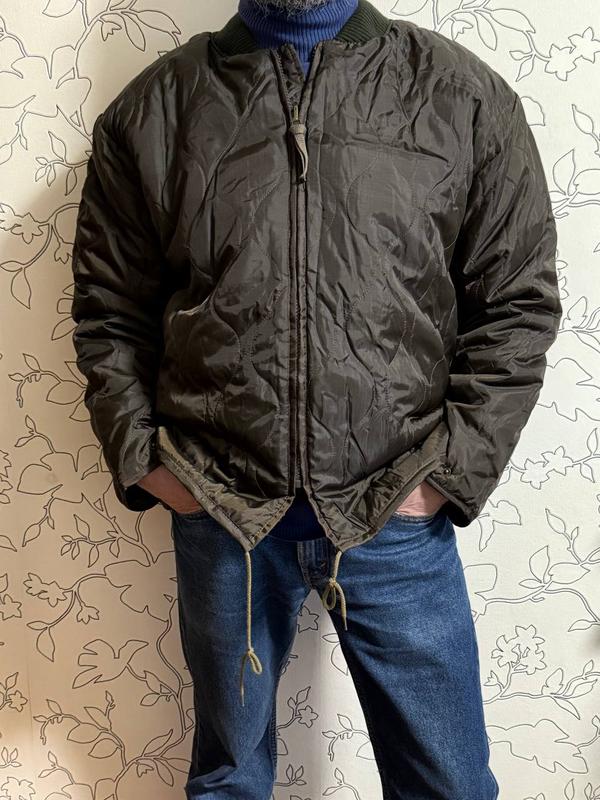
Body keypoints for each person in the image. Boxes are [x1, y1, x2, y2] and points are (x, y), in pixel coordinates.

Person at [69, 0, 562, 796]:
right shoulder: (155, 109)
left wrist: (445, 477)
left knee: (449, 784)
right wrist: (152, 467)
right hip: (221, 511)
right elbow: (109, 315)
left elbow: (516, 305)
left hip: (396, 509)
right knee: (229, 782)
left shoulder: (460, 96)